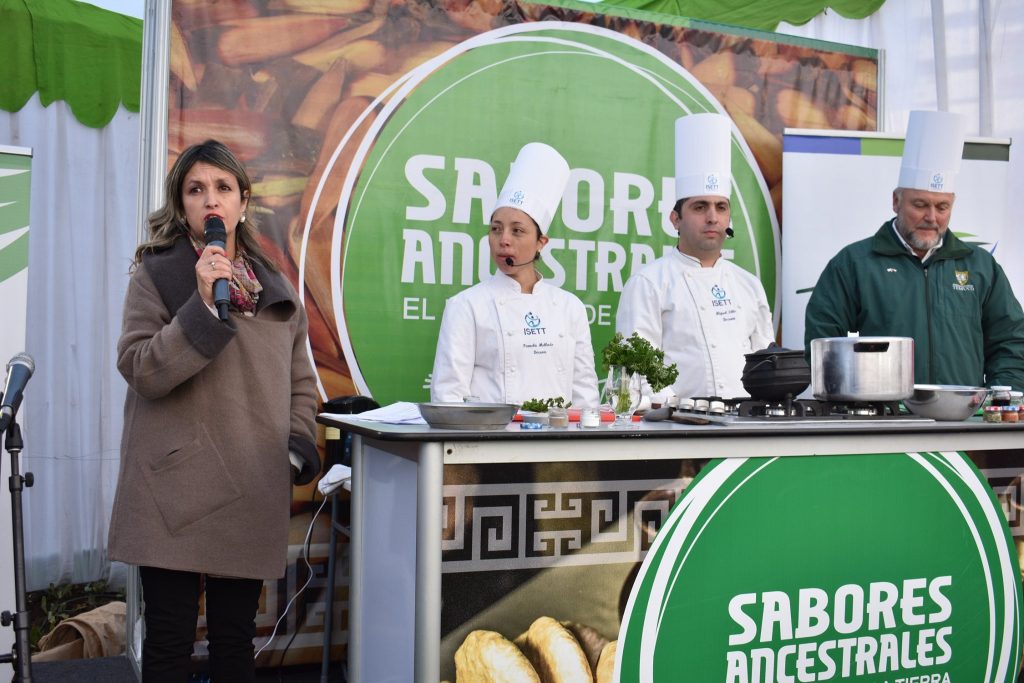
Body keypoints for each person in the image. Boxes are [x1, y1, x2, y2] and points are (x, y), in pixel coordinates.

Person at [107, 140, 321, 682]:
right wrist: (201, 305)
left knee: (234, 643)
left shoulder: (277, 288)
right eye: (195, 189)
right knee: (169, 641)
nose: (211, 200)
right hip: (174, 488)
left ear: (243, 202)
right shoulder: (157, 274)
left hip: (249, 483)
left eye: (223, 188)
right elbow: (140, 368)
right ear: (181, 206)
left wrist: (292, 453)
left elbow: (302, 383)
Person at [804, 110, 1024, 390]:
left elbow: (1010, 341)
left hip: (964, 415)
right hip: (884, 413)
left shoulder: (980, 266)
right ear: (896, 201)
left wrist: (1002, 396)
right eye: (920, 205)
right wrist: (855, 399)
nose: (931, 217)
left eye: (942, 207)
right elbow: (822, 341)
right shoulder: (855, 263)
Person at [616, 113, 774, 400]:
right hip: (675, 422)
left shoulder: (749, 285)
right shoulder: (649, 284)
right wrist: (683, 411)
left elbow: (766, 365)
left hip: (744, 421)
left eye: (721, 207)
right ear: (675, 219)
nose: (712, 217)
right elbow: (638, 375)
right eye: (700, 207)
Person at [430, 142, 599, 407]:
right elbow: (448, 397)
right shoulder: (466, 306)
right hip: (491, 432)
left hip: (559, 432)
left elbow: (585, 394)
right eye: (496, 229)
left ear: (541, 242)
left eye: (517, 231)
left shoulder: (570, 307)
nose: (504, 240)